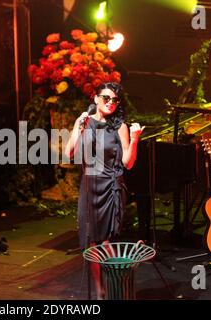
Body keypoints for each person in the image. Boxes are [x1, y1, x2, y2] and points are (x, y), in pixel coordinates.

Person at [64, 82, 145, 299]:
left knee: (107, 241)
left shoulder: (120, 126)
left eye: (115, 100)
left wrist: (135, 140)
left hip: (111, 185)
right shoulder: (84, 121)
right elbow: (69, 154)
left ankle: (117, 285)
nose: (110, 103)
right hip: (90, 186)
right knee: (90, 241)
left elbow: (128, 163)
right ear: (96, 98)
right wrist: (80, 129)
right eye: (106, 98)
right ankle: (100, 291)